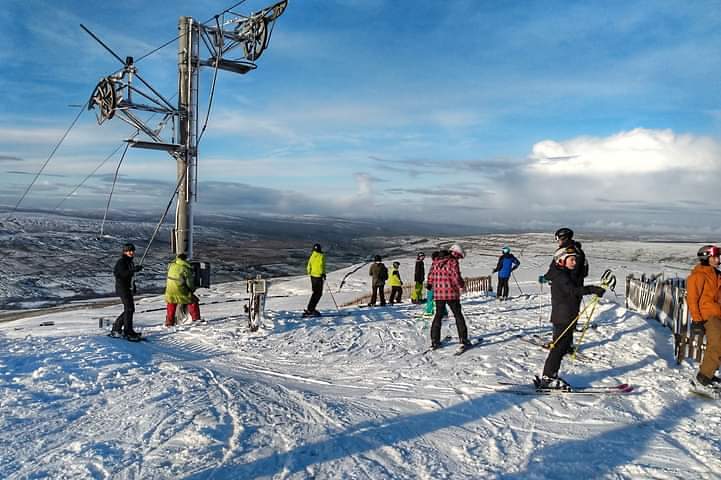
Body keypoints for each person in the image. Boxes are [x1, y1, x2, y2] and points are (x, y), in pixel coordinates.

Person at [535, 245, 605, 389]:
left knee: (562, 346)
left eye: (575, 259)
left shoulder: (564, 273)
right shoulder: (561, 276)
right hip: (563, 317)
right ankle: (548, 377)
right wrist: (592, 289)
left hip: (567, 315)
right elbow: (573, 291)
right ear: (561, 260)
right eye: (571, 259)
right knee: (558, 348)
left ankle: (549, 375)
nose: (574, 262)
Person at [687, 245, 721, 390]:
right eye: (715, 257)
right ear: (706, 258)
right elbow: (692, 299)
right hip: (708, 316)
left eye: (718, 257)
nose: (718, 259)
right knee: (718, 344)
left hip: (717, 314)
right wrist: (697, 320)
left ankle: (708, 373)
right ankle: (702, 379)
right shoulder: (698, 276)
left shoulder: (716, 274)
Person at [427, 244, 471, 350]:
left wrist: (429, 284)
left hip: (438, 294)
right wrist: (461, 285)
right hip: (451, 293)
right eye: (459, 257)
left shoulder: (436, 261)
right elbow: (455, 276)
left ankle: (435, 340)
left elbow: (430, 275)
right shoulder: (452, 261)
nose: (459, 259)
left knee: (438, 316)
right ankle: (463, 339)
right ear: (455, 253)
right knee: (458, 315)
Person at [111, 242, 143, 340]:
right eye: (129, 251)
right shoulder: (122, 262)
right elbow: (122, 274)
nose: (131, 252)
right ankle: (127, 331)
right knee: (129, 309)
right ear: (125, 252)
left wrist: (133, 286)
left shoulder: (129, 262)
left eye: (132, 250)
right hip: (122, 288)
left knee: (129, 309)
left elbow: (129, 276)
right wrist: (133, 270)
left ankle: (117, 329)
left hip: (127, 288)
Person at [164, 253, 201, 327]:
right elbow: (189, 283)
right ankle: (196, 319)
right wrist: (192, 289)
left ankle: (169, 322)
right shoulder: (185, 268)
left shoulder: (171, 265)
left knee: (171, 303)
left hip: (169, 290)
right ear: (185, 259)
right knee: (193, 301)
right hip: (180, 290)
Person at [304, 243, 326, 317]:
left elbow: (308, 266)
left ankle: (310, 308)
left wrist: (310, 273)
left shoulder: (312, 255)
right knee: (318, 294)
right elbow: (321, 265)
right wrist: (323, 273)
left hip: (312, 276)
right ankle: (311, 309)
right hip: (318, 277)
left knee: (315, 293)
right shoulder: (321, 256)